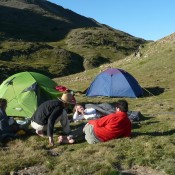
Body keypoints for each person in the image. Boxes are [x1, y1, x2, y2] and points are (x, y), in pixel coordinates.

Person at [58, 99, 132, 144]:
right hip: (98, 140)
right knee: (88, 135)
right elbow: (126, 135)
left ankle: (69, 136)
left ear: (118, 108)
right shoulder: (128, 123)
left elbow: (98, 123)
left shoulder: (113, 116)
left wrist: (90, 122)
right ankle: (73, 139)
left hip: (94, 134)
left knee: (87, 126)